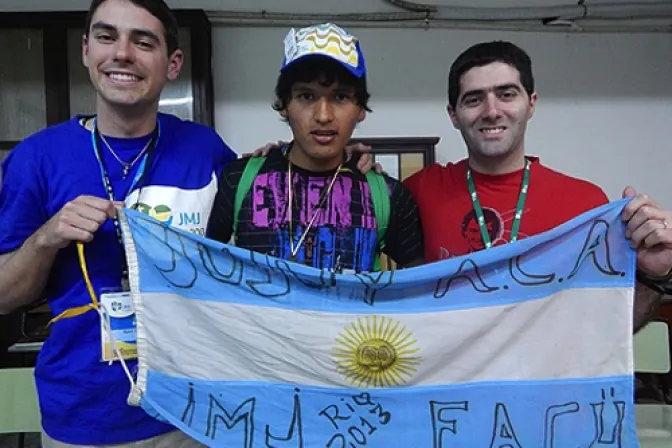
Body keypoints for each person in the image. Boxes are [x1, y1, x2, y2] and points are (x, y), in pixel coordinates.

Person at [0, 0, 233, 446]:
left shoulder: (205, 150)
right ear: (86, 50)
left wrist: (324, 166)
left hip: (192, 413)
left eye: (143, 42)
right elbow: (5, 296)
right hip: (83, 417)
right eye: (107, 37)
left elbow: (256, 226)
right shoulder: (37, 157)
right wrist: (46, 239)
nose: (123, 53)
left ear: (172, 63)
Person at [401, 40, 672, 331]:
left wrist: (653, 275)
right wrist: (354, 167)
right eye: (474, 99)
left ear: (531, 103)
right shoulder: (418, 191)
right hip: (452, 374)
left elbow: (606, 329)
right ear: (453, 115)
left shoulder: (585, 203)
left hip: (551, 375)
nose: (491, 111)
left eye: (506, 94)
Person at [207, 23, 424, 272]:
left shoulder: (388, 196)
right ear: (285, 105)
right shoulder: (238, 180)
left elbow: (419, 292)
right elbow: (200, 271)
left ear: (361, 110)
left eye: (341, 97)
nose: (323, 116)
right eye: (307, 96)